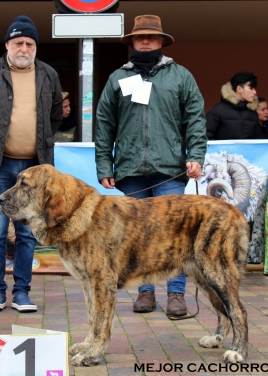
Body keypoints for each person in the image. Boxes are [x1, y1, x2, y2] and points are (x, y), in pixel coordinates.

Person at [95, 15, 208, 317]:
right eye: (139, 37)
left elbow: (195, 119)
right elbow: (104, 124)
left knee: (175, 235)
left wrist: (196, 156)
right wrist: (104, 165)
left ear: (161, 41)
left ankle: (176, 295)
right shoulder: (118, 78)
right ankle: (145, 293)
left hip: (170, 169)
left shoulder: (181, 76)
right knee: (136, 236)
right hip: (131, 172)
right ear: (132, 41)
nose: (145, 41)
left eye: (151, 37)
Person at [0, 15, 63, 313]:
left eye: (30, 43)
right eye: (18, 42)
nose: (24, 48)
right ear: (7, 44)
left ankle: (22, 293)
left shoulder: (48, 75)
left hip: (33, 169)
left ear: (36, 46)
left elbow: (56, 115)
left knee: (26, 232)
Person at [206, 72, 261, 140]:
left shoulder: (253, 113)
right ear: (239, 89)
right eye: (251, 88)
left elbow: (259, 141)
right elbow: (204, 137)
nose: (255, 92)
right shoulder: (218, 111)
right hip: (223, 151)